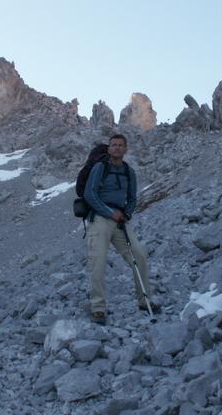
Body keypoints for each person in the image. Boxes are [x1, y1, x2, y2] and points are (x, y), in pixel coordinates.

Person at [83, 134, 159, 324]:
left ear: (125, 149)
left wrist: (127, 213)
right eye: (113, 145)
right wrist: (110, 212)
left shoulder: (128, 171)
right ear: (109, 148)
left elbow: (132, 198)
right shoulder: (100, 168)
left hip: (120, 220)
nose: (116, 148)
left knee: (139, 255)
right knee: (98, 261)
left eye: (120, 145)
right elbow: (89, 194)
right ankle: (98, 307)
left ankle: (144, 300)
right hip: (99, 218)